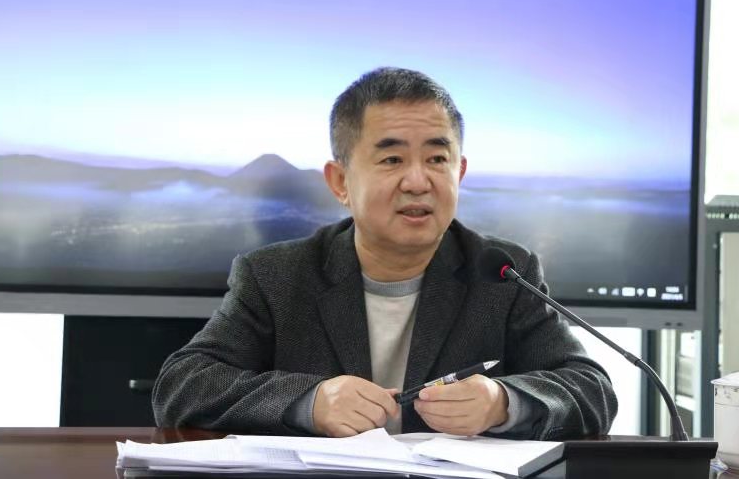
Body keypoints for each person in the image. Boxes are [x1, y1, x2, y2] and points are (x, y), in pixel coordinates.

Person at [152, 67, 617, 439]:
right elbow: (183, 385)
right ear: (340, 182)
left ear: (460, 172)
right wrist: (308, 402)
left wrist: (503, 403)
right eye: (392, 159)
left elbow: (591, 388)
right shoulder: (276, 275)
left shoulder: (503, 273)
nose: (418, 181)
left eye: (437, 159)